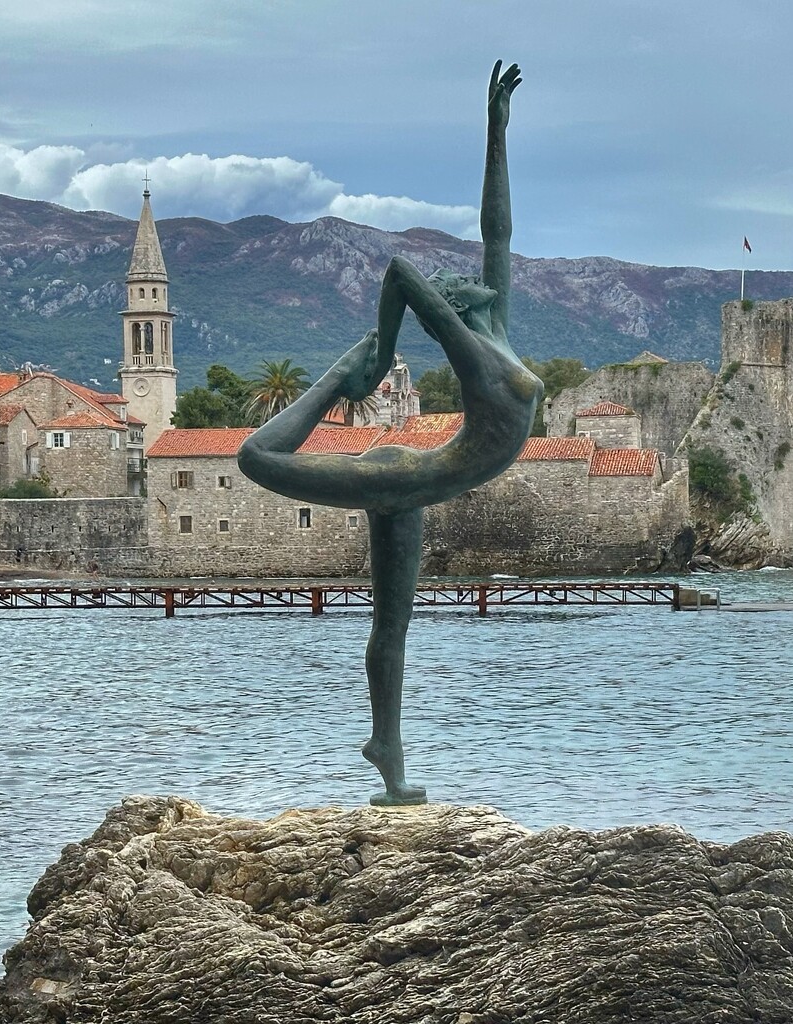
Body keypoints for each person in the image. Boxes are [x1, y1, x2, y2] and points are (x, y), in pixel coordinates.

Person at [238, 61, 543, 806]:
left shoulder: (494, 325)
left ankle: (390, 756)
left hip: (414, 483)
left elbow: (496, 228)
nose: (472, 280)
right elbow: (403, 273)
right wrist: (373, 358)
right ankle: (338, 374)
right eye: (462, 287)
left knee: (393, 630)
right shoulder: (470, 352)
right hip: (399, 478)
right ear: (454, 310)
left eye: (469, 282)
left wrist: (496, 131)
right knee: (254, 457)